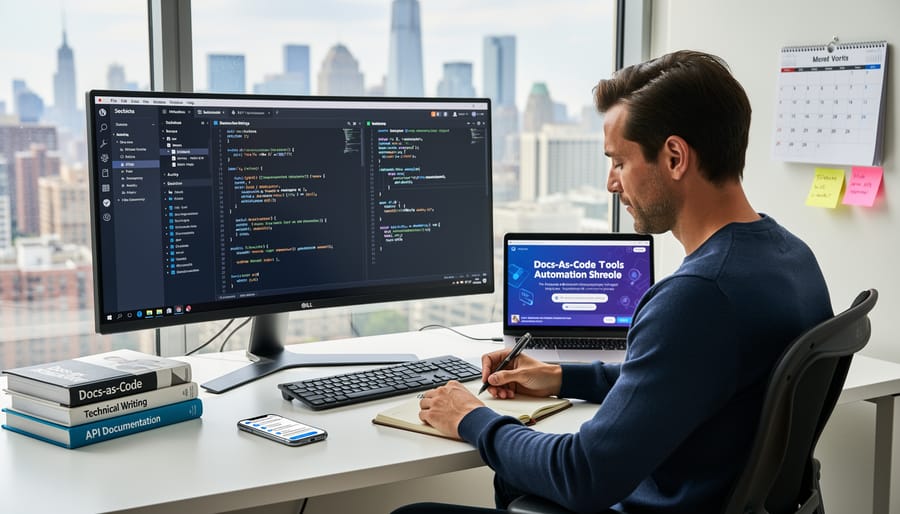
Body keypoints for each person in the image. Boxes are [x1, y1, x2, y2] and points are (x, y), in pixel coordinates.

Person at [392, 50, 833, 514]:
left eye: (619, 162)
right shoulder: (791, 257)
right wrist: (563, 376)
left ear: (675, 157)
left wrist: (471, 418)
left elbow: (583, 476)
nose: (611, 183)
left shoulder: (698, 296)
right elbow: (687, 378)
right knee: (516, 481)